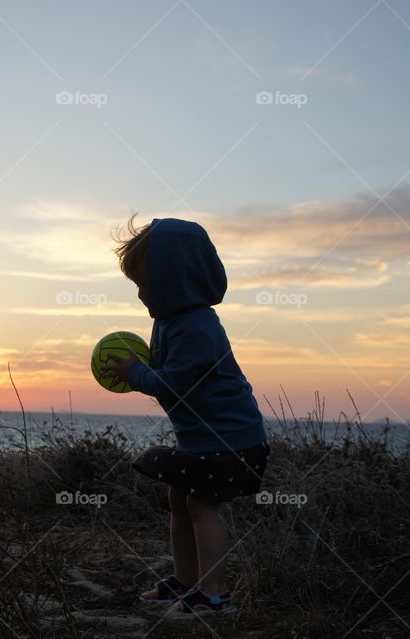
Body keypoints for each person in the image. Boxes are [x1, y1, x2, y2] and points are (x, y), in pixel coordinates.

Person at [102, 214, 269, 616]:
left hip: (232, 442)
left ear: (177, 280)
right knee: (179, 499)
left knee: (201, 505)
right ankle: (186, 580)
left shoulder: (196, 327)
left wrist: (135, 373)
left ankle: (215, 595)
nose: (141, 294)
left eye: (146, 283)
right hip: (202, 442)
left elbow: (175, 384)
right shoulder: (170, 322)